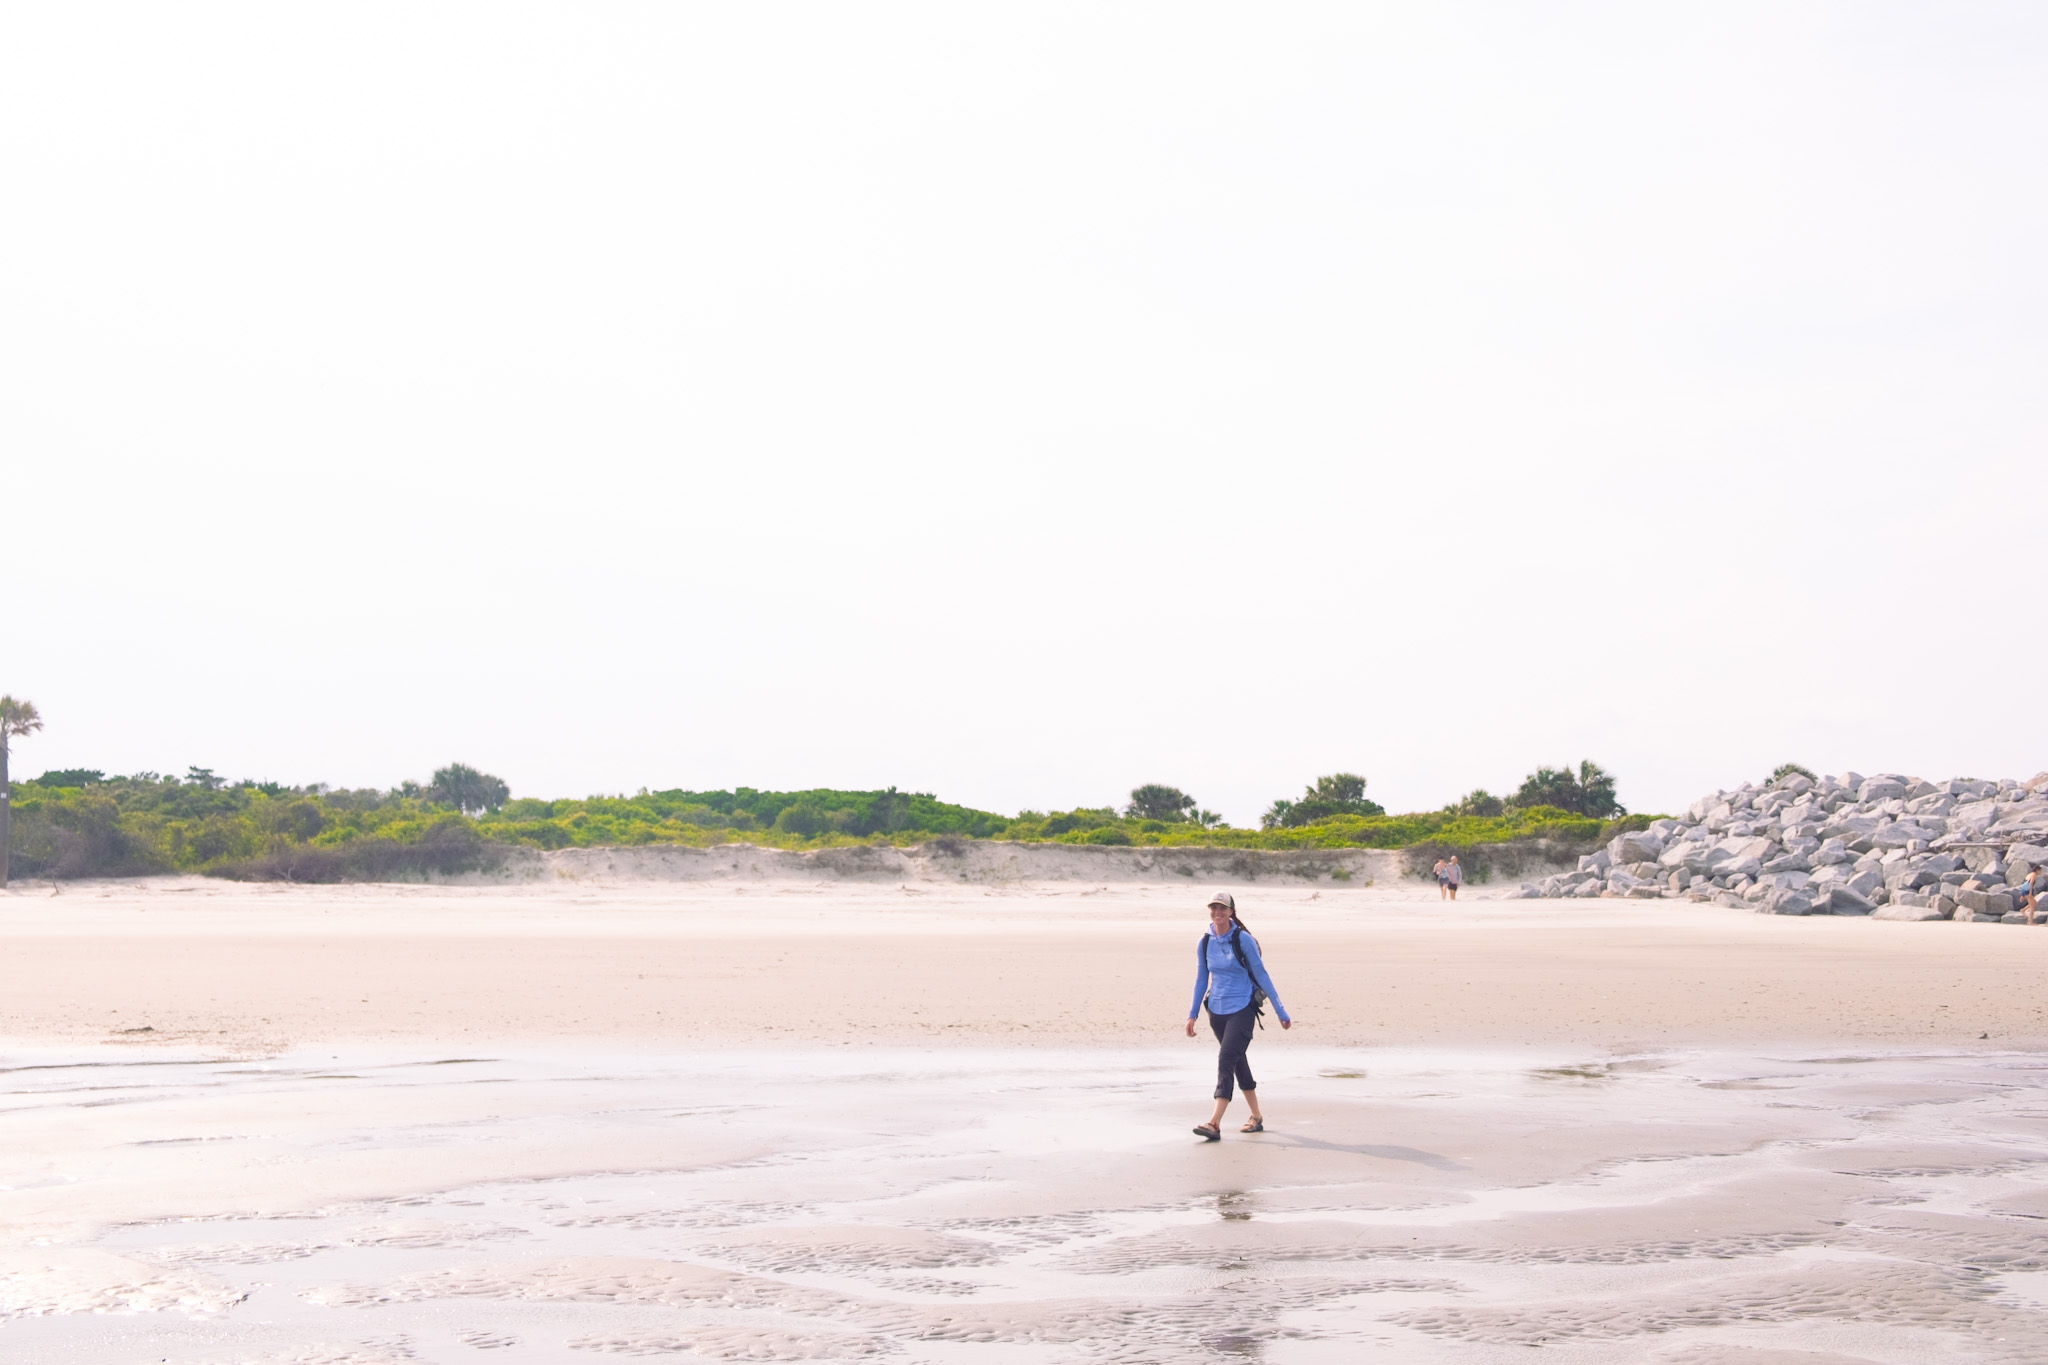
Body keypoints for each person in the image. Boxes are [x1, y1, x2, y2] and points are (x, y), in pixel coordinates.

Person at [1184, 890, 1291, 1141]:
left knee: (1226, 1058)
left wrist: (1280, 1010)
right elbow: (1201, 979)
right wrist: (1193, 1014)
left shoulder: (1243, 940)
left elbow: (1262, 975)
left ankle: (1214, 1123)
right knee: (1237, 1060)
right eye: (1213, 908)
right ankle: (1256, 1116)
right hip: (1217, 1011)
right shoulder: (1205, 942)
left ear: (1231, 912)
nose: (1217, 912)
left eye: (1222, 908)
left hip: (1243, 1008)